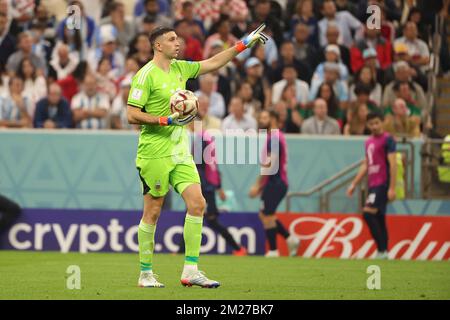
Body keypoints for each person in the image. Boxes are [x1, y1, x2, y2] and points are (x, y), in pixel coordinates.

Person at [126, 25, 268, 288]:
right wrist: (165, 119)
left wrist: (243, 44)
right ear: (158, 46)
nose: (177, 43)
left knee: (198, 203)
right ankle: (145, 273)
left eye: (177, 39)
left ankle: (191, 269)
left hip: (180, 151)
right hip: (154, 152)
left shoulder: (181, 68)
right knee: (153, 212)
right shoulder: (145, 76)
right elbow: (131, 113)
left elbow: (213, 62)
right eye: (171, 40)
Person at [177, 120, 248, 256]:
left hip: (203, 185)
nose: (188, 126)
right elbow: (213, 165)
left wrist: (194, 184)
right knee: (206, 218)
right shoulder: (206, 138)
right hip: (208, 186)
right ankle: (238, 248)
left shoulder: (200, 140)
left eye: (189, 122)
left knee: (201, 217)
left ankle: (238, 248)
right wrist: (218, 187)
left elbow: (199, 166)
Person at [248, 109, 300, 257]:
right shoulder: (274, 136)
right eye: (261, 117)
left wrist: (258, 184)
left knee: (266, 215)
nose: (261, 120)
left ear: (274, 119)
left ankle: (273, 250)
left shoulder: (274, 137)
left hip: (276, 182)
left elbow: (270, 162)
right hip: (274, 182)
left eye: (265, 117)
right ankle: (290, 239)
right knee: (265, 214)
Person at [347, 111, 397, 260]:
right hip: (372, 183)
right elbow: (367, 164)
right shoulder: (368, 142)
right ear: (367, 125)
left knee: (368, 213)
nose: (374, 126)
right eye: (371, 124)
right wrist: (354, 183)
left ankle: (382, 250)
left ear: (383, 122)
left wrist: (392, 187)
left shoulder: (388, 140)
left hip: (382, 183)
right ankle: (384, 252)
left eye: (377, 122)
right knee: (380, 217)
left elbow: (393, 164)